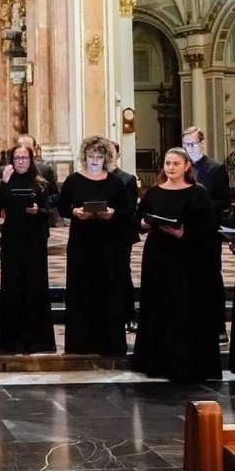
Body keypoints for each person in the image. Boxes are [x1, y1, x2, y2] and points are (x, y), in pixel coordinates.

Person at [132, 148, 221, 382]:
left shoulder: (198, 194)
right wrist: (143, 223)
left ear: (186, 166)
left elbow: (210, 229)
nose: (170, 167)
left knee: (183, 308)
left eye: (175, 164)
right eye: (167, 163)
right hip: (157, 257)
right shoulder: (153, 192)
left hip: (187, 260)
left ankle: (184, 363)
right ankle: (156, 361)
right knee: (157, 306)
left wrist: (184, 233)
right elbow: (138, 220)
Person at [58, 136, 130, 357]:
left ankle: (108, 342)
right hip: (81, 242)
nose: (95, 160)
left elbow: (127, 211)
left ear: (106, 158)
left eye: (99, 157)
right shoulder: (73, 180)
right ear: (85, 156)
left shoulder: (115, 182)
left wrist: (113, 214)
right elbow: (61, 208)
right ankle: (81, 342)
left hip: (108, 243)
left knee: (108, 290)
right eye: (91, 156)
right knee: (81, 290)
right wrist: (75, 212)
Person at [0, 144, 55, 354]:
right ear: (11, 160)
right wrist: (4, 182)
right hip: (12, 239)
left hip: (35, 239)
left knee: (35, 285)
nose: (20, 162)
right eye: (17, 158)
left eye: (24, 158)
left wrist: (38, 210)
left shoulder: (40, 183)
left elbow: (49, 212)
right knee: (12, 285)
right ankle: (11, 339)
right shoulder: (6, 181)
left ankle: (37, 339)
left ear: (31, 160)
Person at [182, 126, 230, 344]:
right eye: (186, 145)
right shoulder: (181, 167)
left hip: (208, 231)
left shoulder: (216, 169)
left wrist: (200, 205)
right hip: (183, 232)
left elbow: (223, 202)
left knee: (211, 278)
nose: (189, 149)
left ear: (203, 144)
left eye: (193, 144)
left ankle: (218, 325)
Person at [111, 142, 141, 333]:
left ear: (118, 155)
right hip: (100, 233)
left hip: (121, 233)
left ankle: (129, 314)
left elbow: (131, 208)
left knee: (122, 273)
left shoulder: (127, 179)